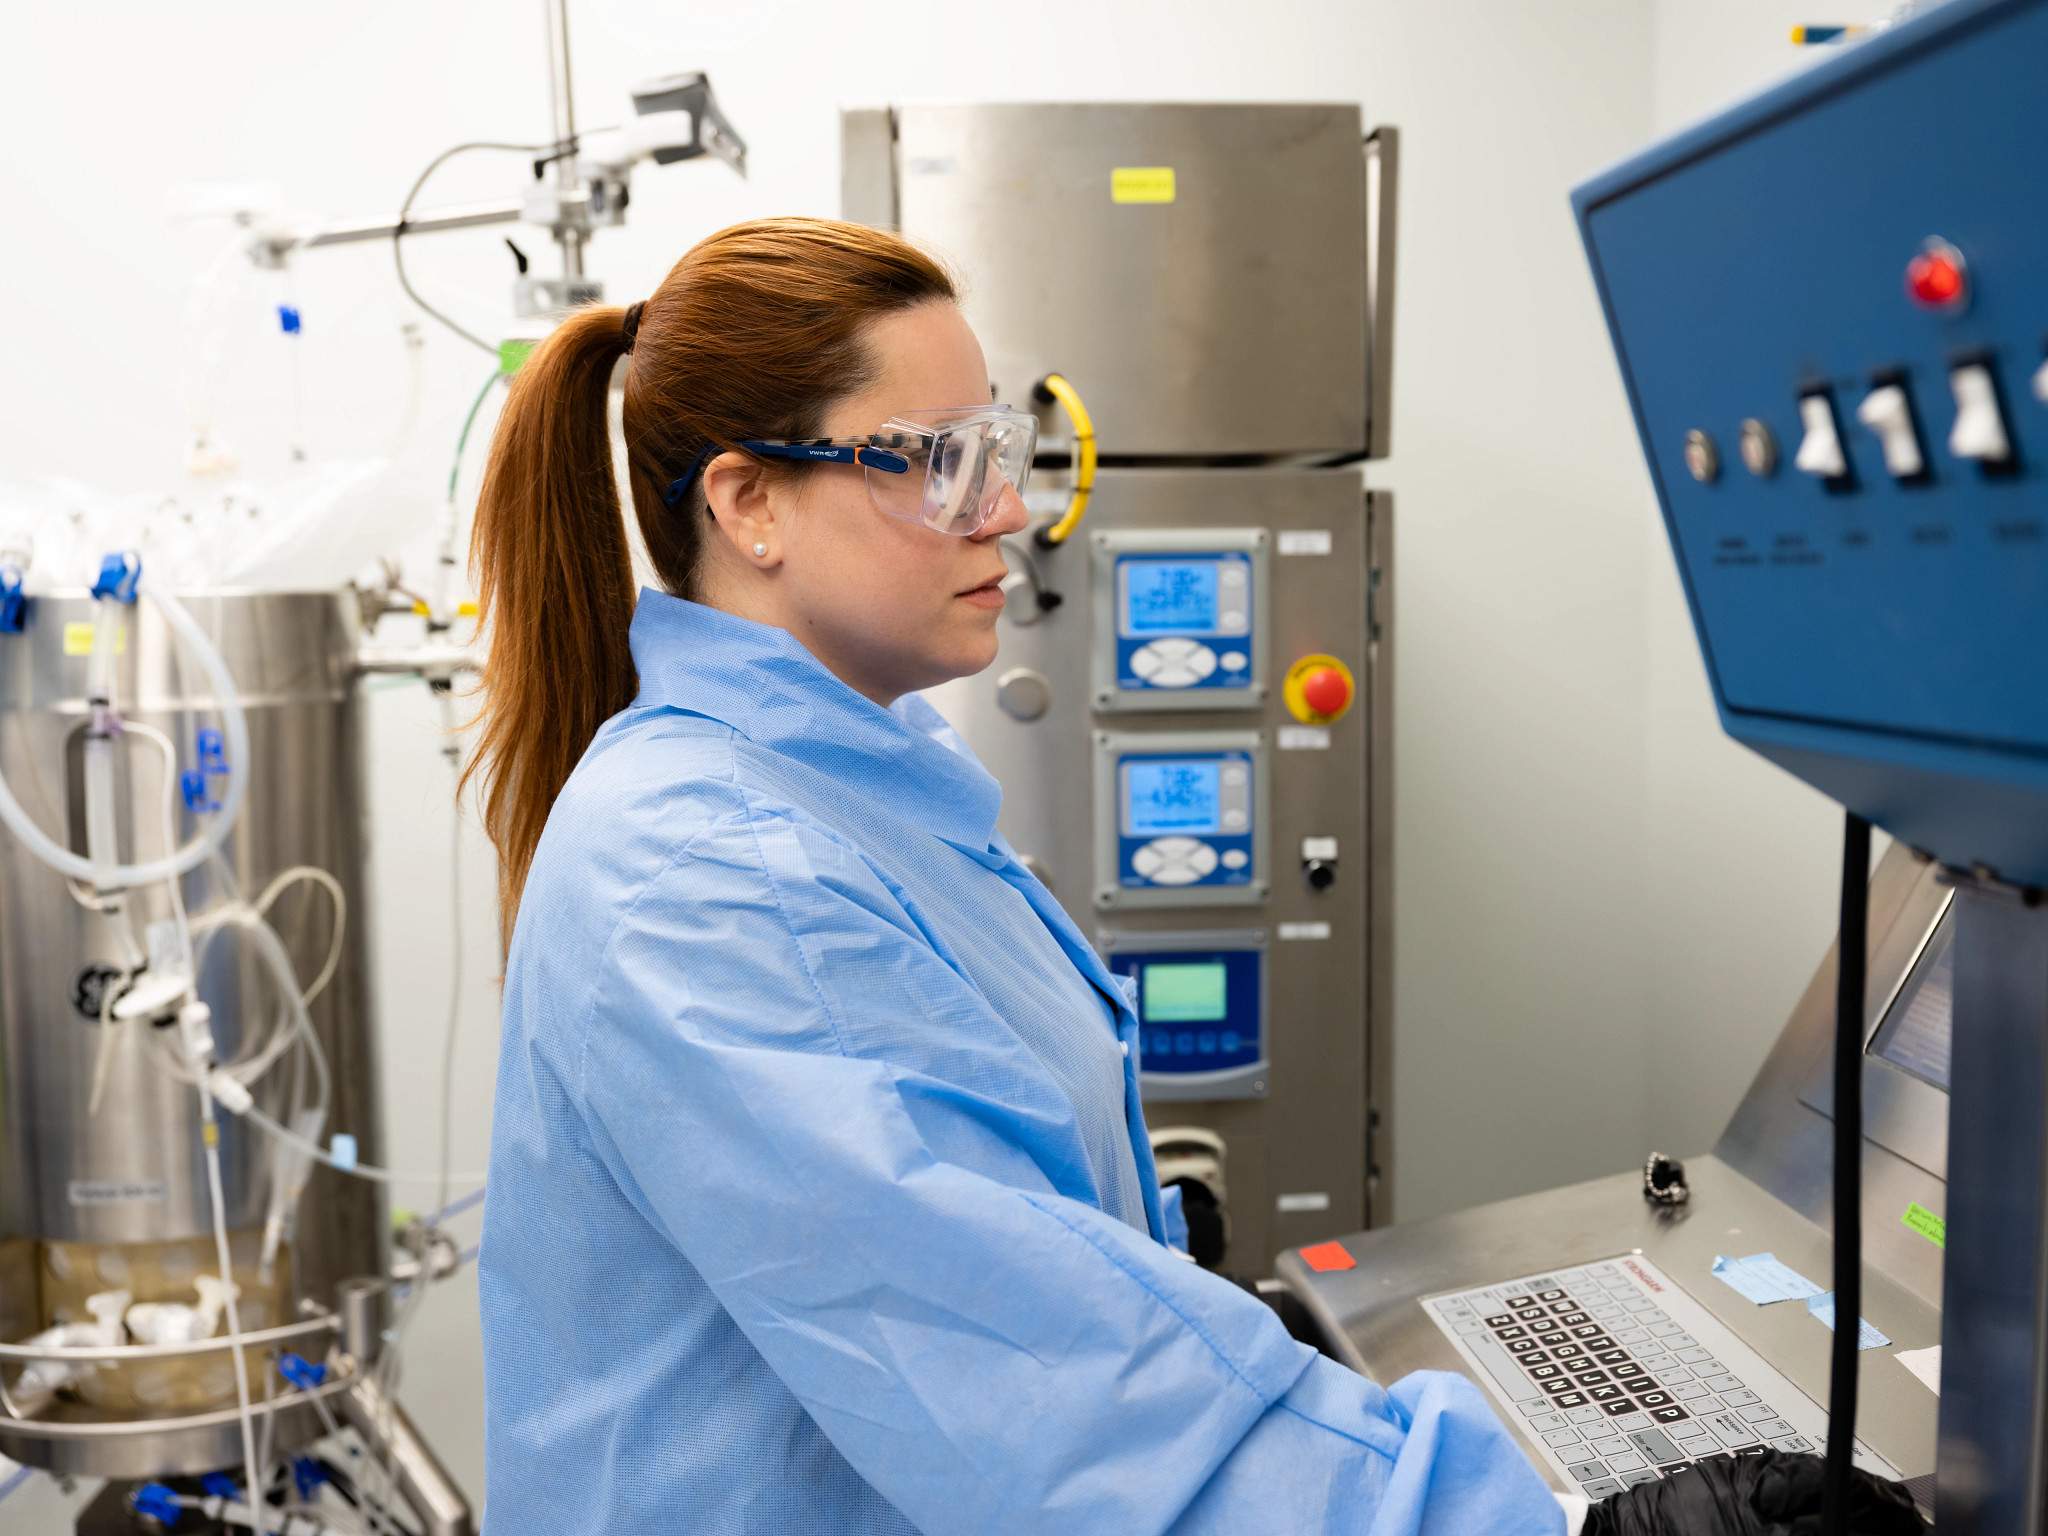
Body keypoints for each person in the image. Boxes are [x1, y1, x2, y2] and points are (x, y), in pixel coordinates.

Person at [466, 217, 1917, 1535]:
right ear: (749, 503)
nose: (1007, 512)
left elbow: (994, 1261)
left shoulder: (842, 794)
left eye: (1000, 451)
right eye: (939, 461)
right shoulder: (722, 870)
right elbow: (1048, 1389)